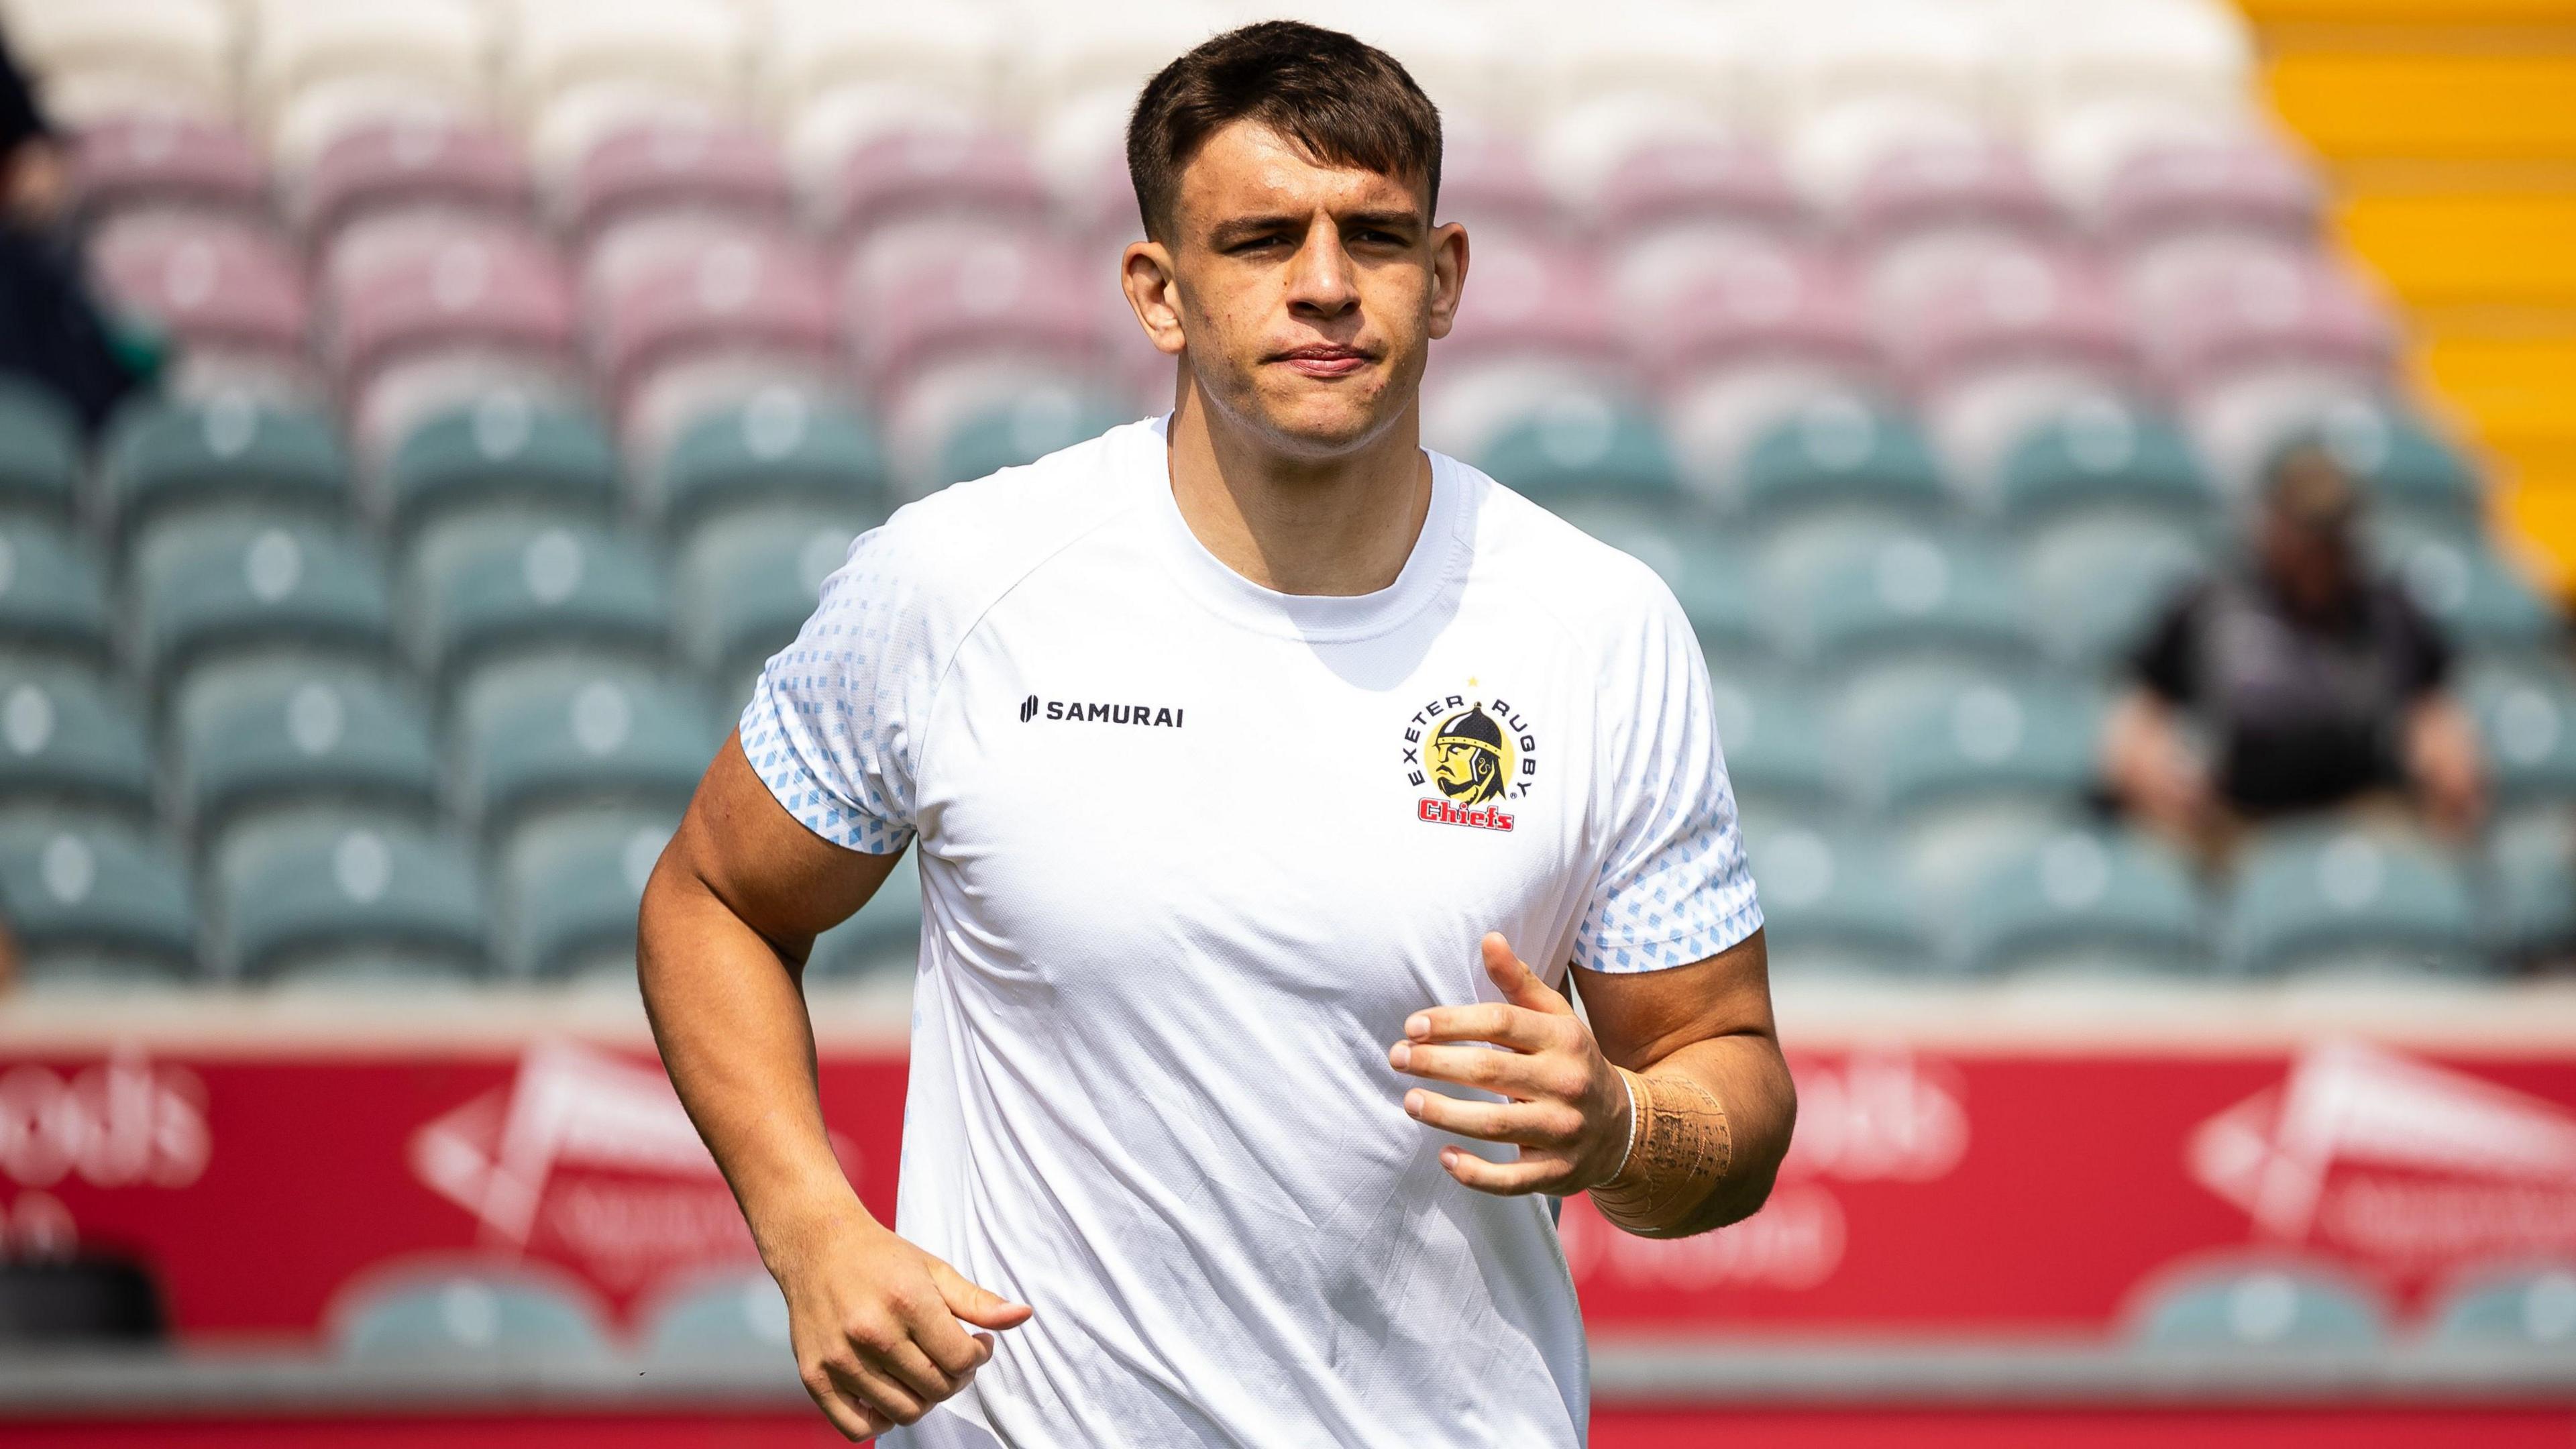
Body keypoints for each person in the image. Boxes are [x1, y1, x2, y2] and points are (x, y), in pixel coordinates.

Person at [640, 21, 1792, 1447]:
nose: (1324, 286)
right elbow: (714, 897)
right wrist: (810, 1226)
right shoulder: (958, 583)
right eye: (1259, 240)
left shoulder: (1600, 628)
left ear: (1443, 281)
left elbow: (1725, 1071)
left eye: (1374, 237)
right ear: (1159, 290)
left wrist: (1621, 1125)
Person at [2103, 442, 2485, 855]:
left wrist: (2446, 758)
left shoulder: (2389, 612)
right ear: (2271, 523)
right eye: (2306, 529)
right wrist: (2153, 765)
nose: (2318, 549)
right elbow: (2142, 716)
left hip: (2363, 812)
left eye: (2331, 531)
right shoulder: (2211, 605)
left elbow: (2434, 713)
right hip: (2235, 815)